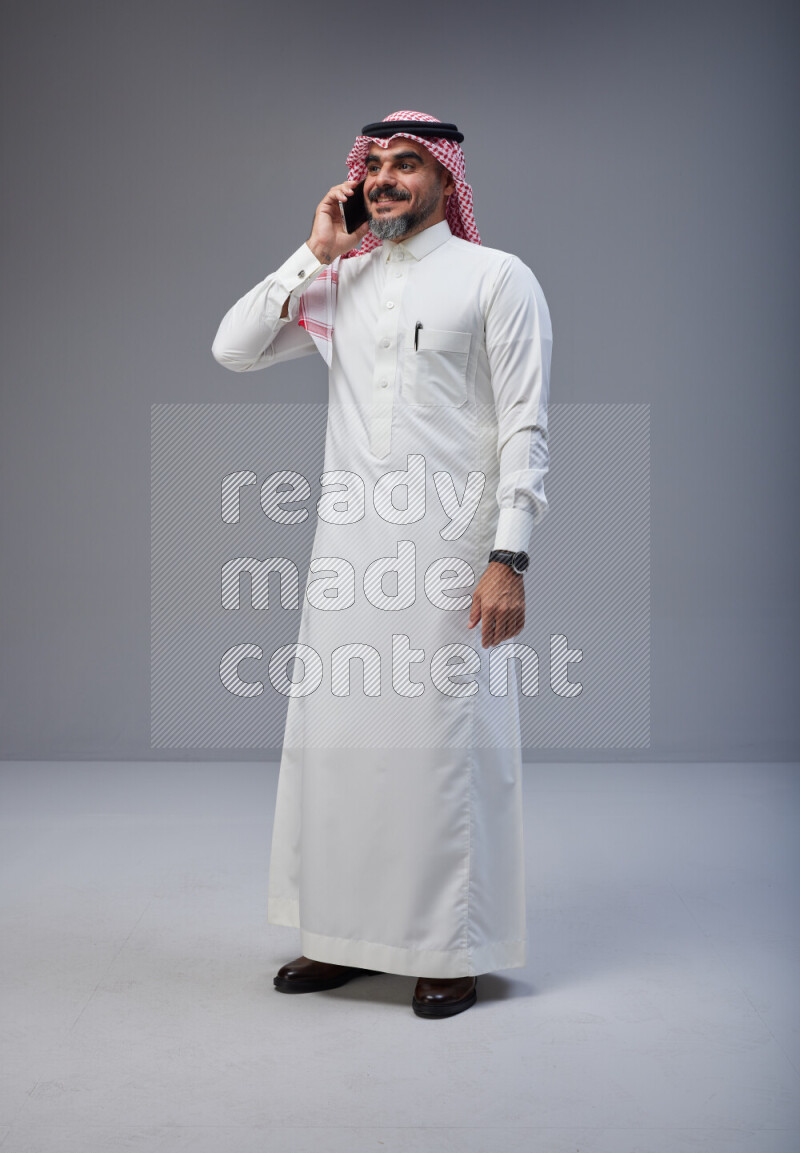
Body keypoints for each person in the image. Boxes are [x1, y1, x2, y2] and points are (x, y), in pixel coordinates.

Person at [212, 111, 553, 1019]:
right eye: (376, 165)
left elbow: (525, 425)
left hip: (450, 558)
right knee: (344, 751)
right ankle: (340, 936)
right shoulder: (342, 281)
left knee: (442, 754)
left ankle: (450, 947)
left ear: (446, 179)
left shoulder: (497, 278)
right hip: (348, 559)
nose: (389, 180)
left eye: (409, 164)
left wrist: (508, 555)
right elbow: (235, 347)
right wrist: (313, 251)